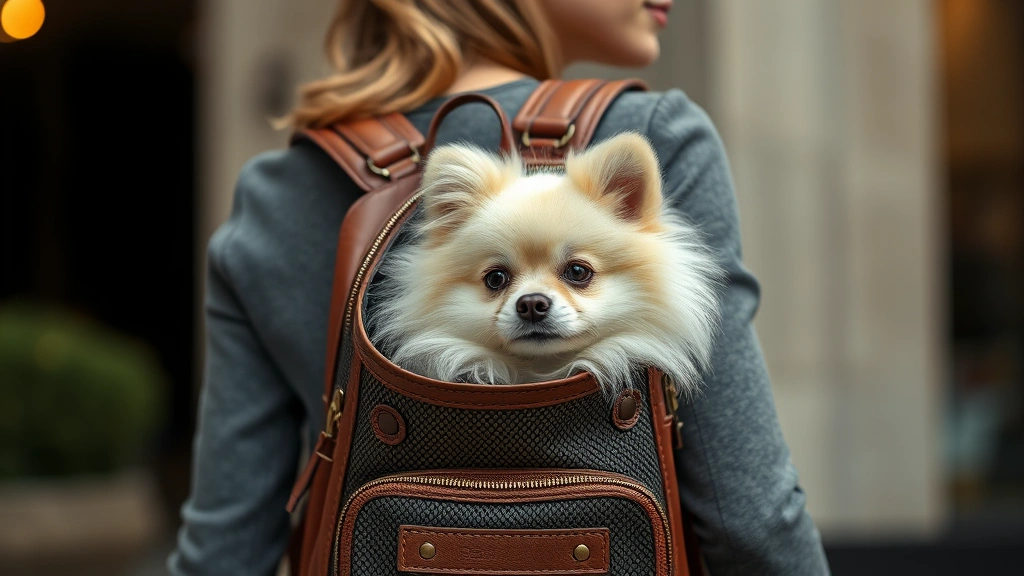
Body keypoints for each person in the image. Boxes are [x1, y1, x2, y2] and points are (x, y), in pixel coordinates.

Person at [167, 1, 831, 574]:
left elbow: (225, 548)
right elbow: (749, 515)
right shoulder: (657, 135)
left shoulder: (272, 197)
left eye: (575, 274)